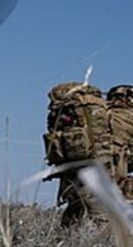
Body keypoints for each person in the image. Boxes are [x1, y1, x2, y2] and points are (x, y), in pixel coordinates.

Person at [43, 82, 112, 227]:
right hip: (96, 162)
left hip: (70, 162)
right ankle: (103, 236)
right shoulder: (99, 106)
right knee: (98, 209)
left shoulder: (65, 109)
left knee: (75, 203)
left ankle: (65, 235)